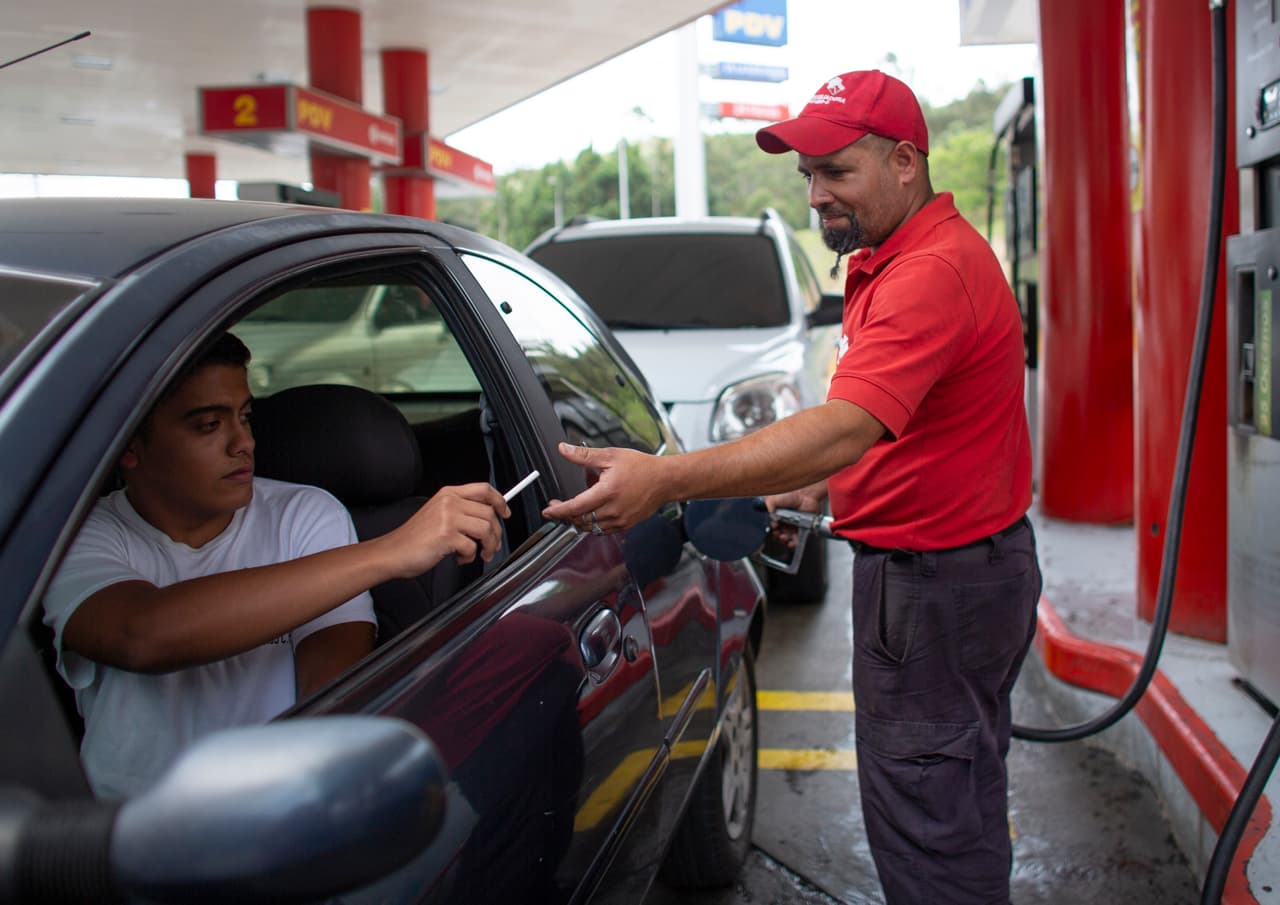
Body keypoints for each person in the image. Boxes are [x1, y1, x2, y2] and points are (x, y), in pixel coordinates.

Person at [542, 69, 1041, 905]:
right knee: (954, 796)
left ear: (906, 162)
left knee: (927, 829)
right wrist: (815, 489)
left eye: (837, 172)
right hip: (960, 574)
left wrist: (667, 478)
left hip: (935, 589)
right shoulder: (904, 256)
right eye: (807, 175)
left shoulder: (928, 274)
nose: (816, 195)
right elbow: (908, 429)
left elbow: (847, 422)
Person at [43, 332, 510, 799]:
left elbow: (333, 692)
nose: (242, 442)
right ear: (129, 445)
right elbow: (139, 634)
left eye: (245, 417)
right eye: (208, 425)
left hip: (282, 808)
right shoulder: (79, 535)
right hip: (124, 833)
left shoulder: (305, 514)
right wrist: (391, 551)